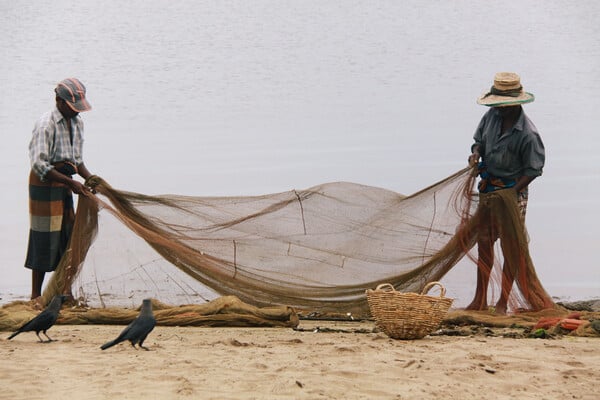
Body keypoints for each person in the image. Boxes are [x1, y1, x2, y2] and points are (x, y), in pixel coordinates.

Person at [466, 72, 546, 314]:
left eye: (502, 105)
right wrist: (477, 153)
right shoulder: (491, 116)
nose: (498, 109)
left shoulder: (528, 134)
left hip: (513, 193)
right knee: (484, 242)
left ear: (515, 104)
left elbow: (534, 169)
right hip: (489, 189)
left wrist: (512, 192)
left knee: (512, 246)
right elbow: (478, 140)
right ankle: (479, 299)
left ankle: (502, 302)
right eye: (496, 105)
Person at [25, 78, 95, 307]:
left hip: (65, 183)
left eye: (78, 108)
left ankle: (65, 291)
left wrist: (90, 179)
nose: (76, 112)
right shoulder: (46, 124)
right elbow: (39, 165)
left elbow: (77, 161)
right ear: (59, 101)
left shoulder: (78, 123)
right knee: (43, 238)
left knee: (68, 236)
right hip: (45, 183)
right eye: (73, 107)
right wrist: (71, 183)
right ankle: (36, 295)